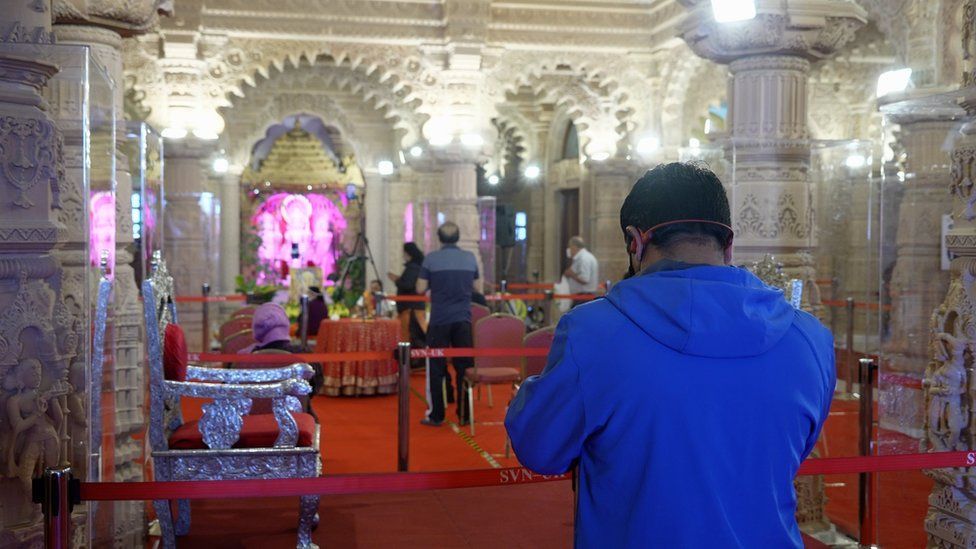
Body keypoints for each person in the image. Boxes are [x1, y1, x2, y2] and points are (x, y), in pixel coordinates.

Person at [505, 162, 834, 548]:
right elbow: (794, 450)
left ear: (635, 242)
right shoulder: (809, 337)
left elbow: (539, 449)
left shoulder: (592, 332)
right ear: (728, 244)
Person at [416, 221, 479, 426]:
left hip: (439, 320)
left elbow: (420, 288)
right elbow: (477, 287)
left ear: (440, 238)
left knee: (436, 367)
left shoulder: (431, 259)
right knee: (465, 368)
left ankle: (437, 415)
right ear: (458, 237)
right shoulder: (470, 258)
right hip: (463, 319)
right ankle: (465, 414)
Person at [389, 242, 427, 346]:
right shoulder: (417, 266)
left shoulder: (413, 268)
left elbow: (407, 285)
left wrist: (397, 280)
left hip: (410, 309)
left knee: (408, 336)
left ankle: (408, 355)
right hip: (413, 307)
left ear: (408, 253)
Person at [562, 235, 599, 308]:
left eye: (570, 247)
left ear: (574, 247)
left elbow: (584, 279)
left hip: (583, 297)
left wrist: (571, 274)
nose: (568, 249)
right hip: (580, 297)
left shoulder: (584, 258)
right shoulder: (581, 258)